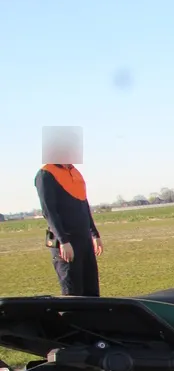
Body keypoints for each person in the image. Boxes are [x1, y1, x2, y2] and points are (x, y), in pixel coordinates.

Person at [35, 126, 103, 297]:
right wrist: (63, 240)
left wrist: (94, 234)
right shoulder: (46, 174)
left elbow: (84, 205)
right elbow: (49, 212)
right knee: (73, 294)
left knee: (92, 293)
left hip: (84, 240)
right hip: (66, 243)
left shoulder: (75, 173)